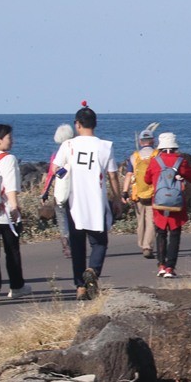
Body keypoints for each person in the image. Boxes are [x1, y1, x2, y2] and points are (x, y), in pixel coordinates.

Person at [50, 101, 122, 301]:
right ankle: (93, 270)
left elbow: (56, 169)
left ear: (77, 124)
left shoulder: (69, 145)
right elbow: (113, 176)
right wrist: (117, 199)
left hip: (74, 202)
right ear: (95, 124)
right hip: (96, 201)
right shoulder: (105, 146)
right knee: (99, 242)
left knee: (77, 244)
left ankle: (80, 286)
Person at [0, 122, 30, 300]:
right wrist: (15, 207)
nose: (12, 141)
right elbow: (10, 186)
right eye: (9, 137)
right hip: (5, 212)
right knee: (12, 250)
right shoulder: (8, 159)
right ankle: (16, 286)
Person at [144, 132, 191, 278]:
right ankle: (170, 267)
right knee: (175, 234)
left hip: (160, 202)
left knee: (160, 233)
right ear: (174, 146)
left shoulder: (155, 161)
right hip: (176, 202)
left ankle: (161, 265)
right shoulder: (181, 161)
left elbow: (147, 179)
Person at [122, 125, 159, 259]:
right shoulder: (157, 155)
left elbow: (128, 175)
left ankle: (141, 243)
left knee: (140, 221)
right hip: (154, 193)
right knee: (151, 220)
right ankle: (147, 246)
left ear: (140, 142)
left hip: (137, 193)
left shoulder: (134, 157)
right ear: (153, 141)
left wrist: (125, 192)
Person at [40, 124, 75, 258]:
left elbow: (50, 175)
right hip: (75, 191)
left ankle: (66, 243)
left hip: (61, 191)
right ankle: (75, 242)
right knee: (73, 218)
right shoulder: (76, 151)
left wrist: (45, 192)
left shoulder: (57, 155)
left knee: (62, 217)